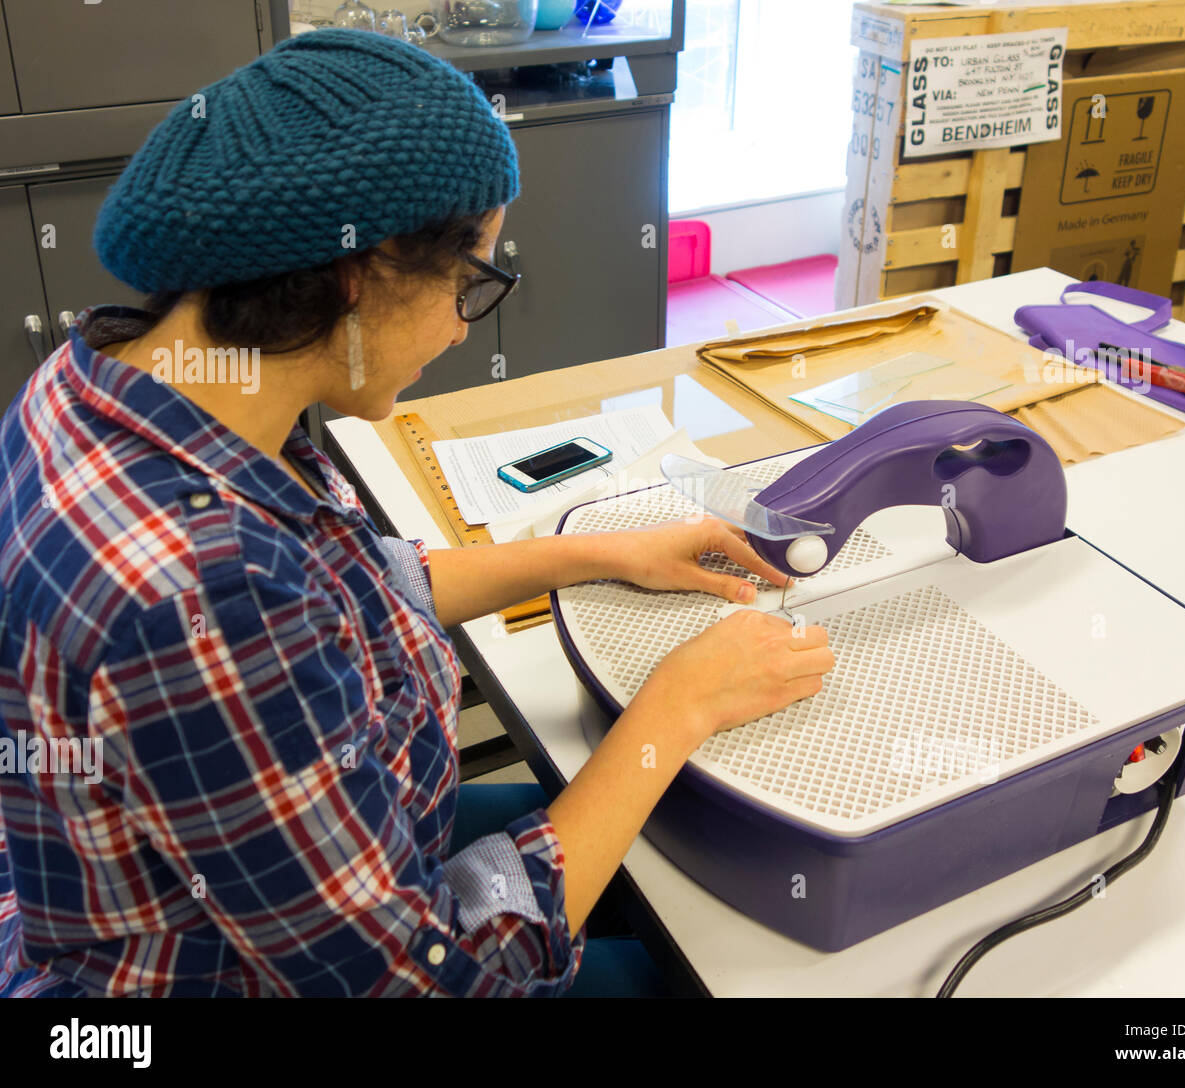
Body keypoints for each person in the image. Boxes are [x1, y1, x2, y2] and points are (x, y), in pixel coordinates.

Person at [0, 30, 833, 997]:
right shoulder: (198, 583)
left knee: (670, 847)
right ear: (360, 272)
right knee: (698, 958)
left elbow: (358, 588)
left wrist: (603, 551)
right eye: (470, 280)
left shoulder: (114, 382)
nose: (458, 324)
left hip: (301, 862)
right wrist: (676, 706)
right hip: (213, 971)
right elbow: (421, 980)